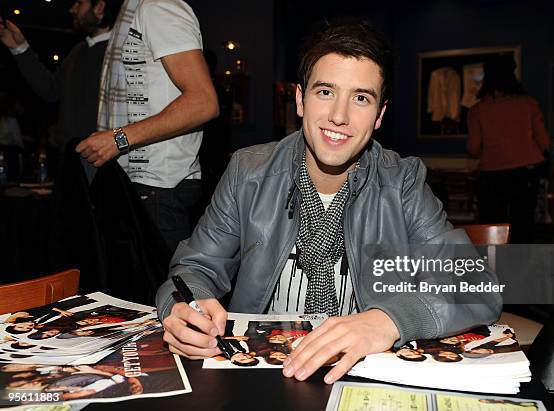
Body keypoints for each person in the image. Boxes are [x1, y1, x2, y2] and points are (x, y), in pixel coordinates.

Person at [156, 20, 501, 384]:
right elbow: (192, 270)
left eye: (361, 98)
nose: (339, 115)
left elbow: (474, 285)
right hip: (259, 376)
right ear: (300, 99)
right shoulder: (248, 171)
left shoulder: (402, 182)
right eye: (325, 92)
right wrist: (183, 308)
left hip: (361, 372)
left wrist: (389, 320)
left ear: (380, 115)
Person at [76, 0, 220, 252]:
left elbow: (203, 102)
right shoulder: (131, 11)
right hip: (136, 186)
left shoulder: (159, 6)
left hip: (159, 190)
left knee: (158, 290)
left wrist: (118, 139)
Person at [0, 0, 122, 153]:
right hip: (70, 155)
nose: (72, 9)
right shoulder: (78, 50)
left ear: (99, 8)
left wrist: (119, 144)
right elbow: (50, 90)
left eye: (79, 3)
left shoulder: (121, 53)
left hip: (103, 157)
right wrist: (20, 48)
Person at [467, 54, 551, 243]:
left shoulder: (478, 110)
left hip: (491, 175)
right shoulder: (529, 104)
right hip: (526, 174)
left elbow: (473, 149)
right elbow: (544, 142)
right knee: (523, 225)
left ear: (487, 78)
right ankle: (522, 268)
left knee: (492, 228)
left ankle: (493, 268)